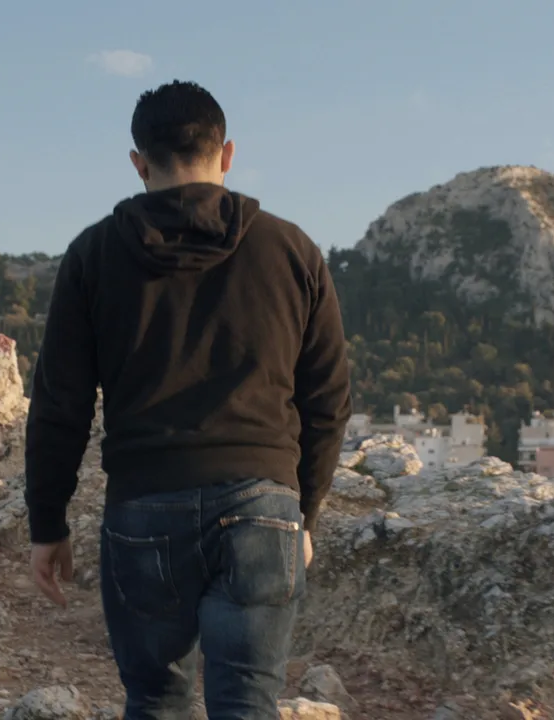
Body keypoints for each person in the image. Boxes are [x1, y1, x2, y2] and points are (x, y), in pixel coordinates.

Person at [23, 79, 352, 719]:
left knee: (156, 701)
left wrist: (48, 524)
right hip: (264, 508)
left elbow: (60, 405)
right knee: (248, 705)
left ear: (139, 163)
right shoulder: (293, 251)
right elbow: (329, 401)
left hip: (145, 508)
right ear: (226, 154)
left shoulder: (93, 255)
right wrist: (304, 514)